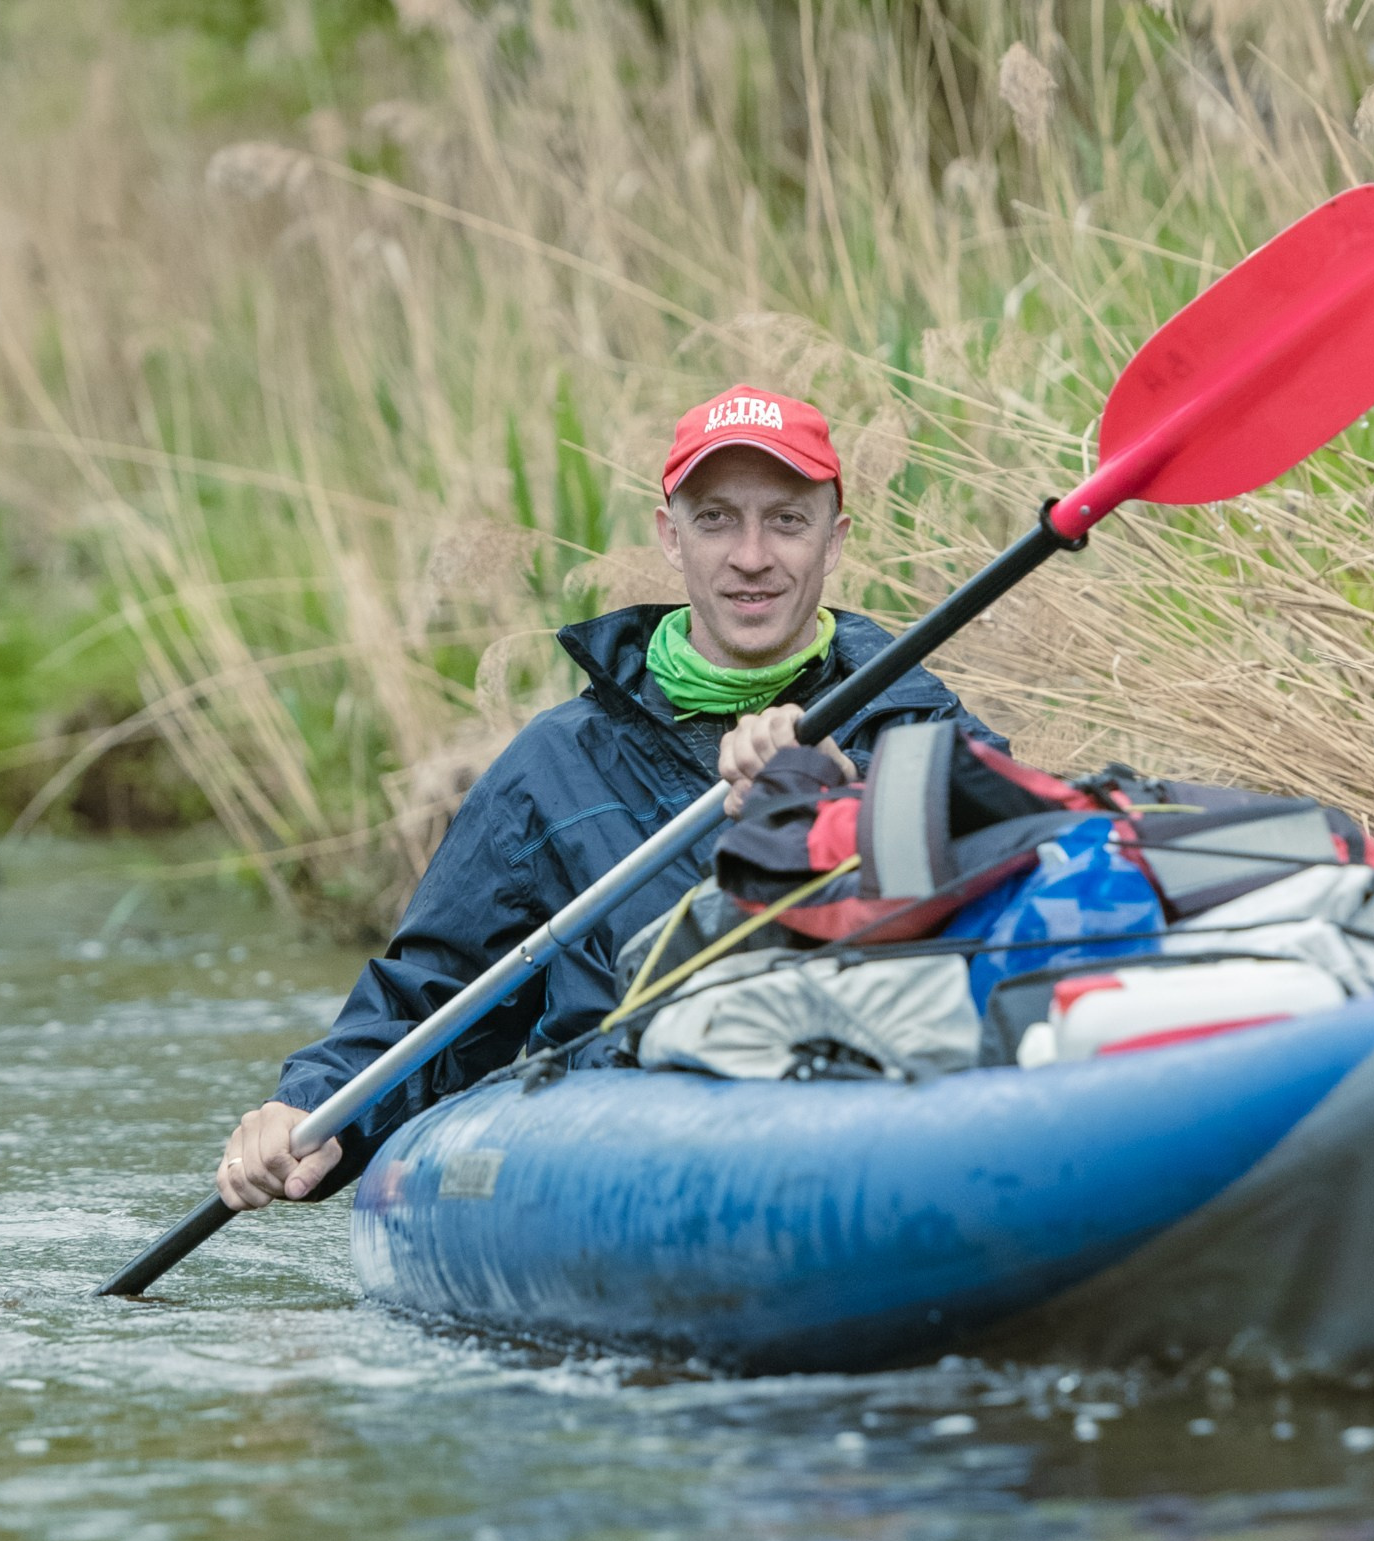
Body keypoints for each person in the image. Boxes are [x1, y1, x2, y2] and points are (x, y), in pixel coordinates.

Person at [215, 385, 1001, 1211]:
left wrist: (847, 801)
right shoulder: (553, 765)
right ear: (671, 536)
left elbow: (1015, 887)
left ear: (833, 542)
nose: (752, 555)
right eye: (716, 519)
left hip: (865, 1114)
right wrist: (310, 1108)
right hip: (624, 1149)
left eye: (787, 521)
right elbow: (435, 994)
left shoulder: (917, 721)